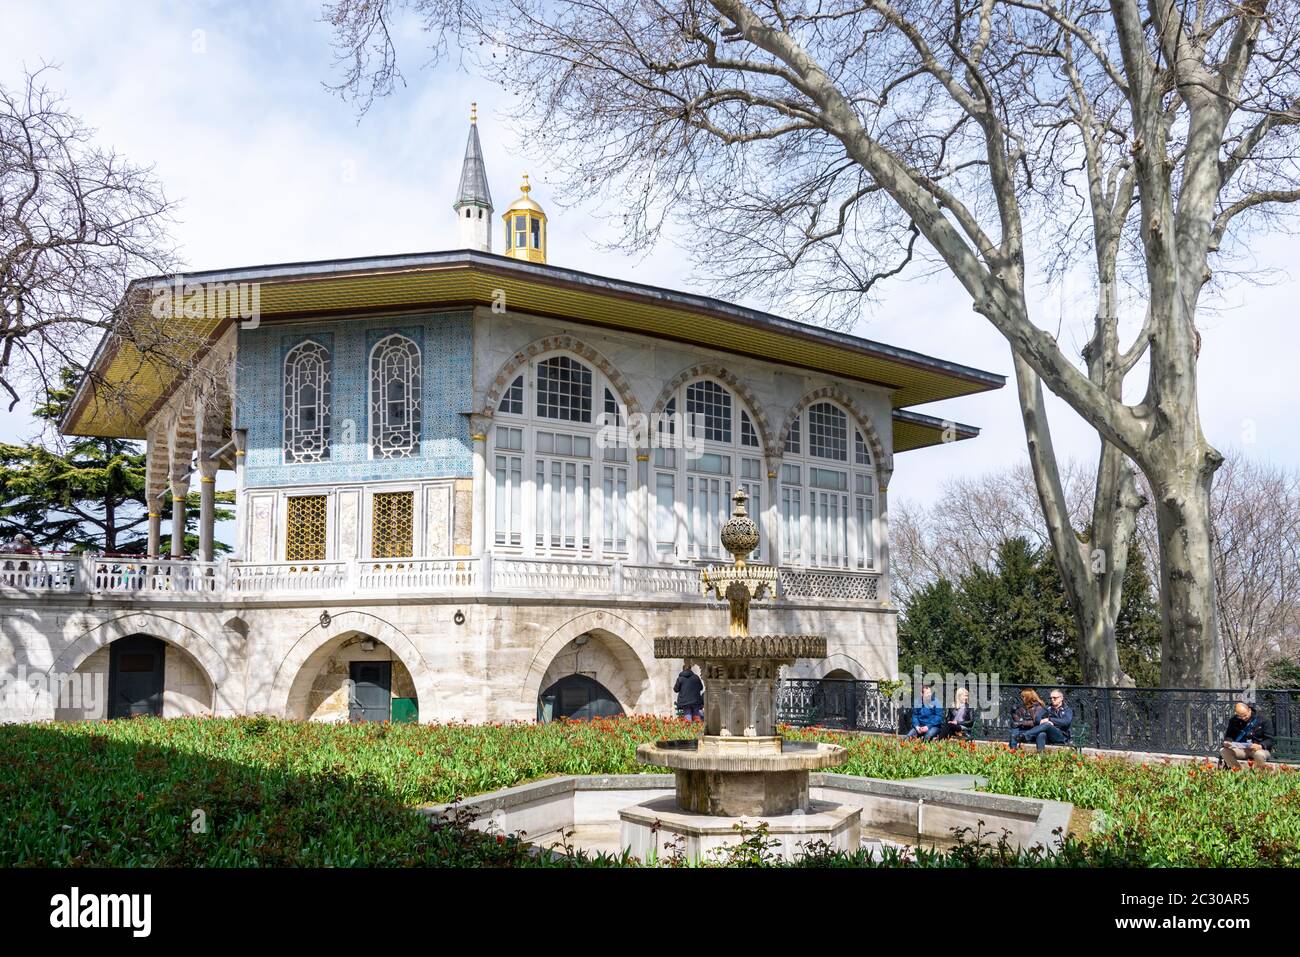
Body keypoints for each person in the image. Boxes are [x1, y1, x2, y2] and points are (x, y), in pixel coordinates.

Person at [1220, 700, 1274, 769]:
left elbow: (1270, 739)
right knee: (1223, 751)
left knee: (1259, 755)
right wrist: (1227, 742)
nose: (1243, 718)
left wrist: (1261, 746)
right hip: (1241, 749)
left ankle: (1257, 774)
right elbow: (1229, 736)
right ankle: (1238, 771)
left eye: (1245, 715)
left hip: (1258, 749)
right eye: (1240, 716)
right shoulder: (1234, 720)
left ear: (1249, 710)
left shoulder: (1263, 719)